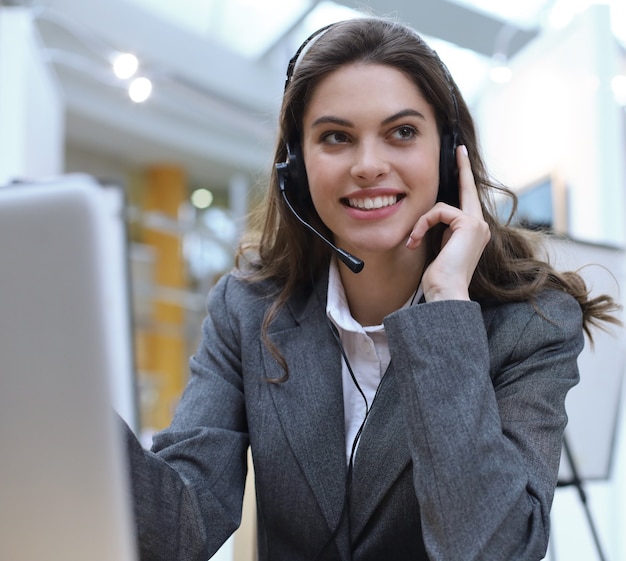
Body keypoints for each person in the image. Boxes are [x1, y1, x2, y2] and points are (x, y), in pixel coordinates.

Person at [122, 16, 620, 561]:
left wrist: (448, 303)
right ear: (295, 167)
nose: (368, 166)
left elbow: (492, 550)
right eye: (336, 137)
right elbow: (175, 534)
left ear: (448, 152)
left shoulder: (532, 324)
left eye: (402, 132)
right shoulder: (247, 308)